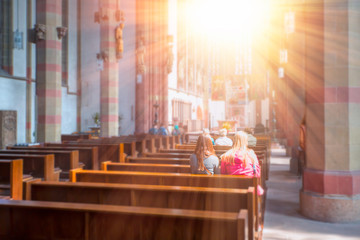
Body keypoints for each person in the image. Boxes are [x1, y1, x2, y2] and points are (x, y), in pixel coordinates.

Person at [220, 131, 264, 195]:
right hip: (249, 191)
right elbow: (257, 174)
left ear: (234, 140)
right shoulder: (251, 154)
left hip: (231, 192)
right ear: (245, 141)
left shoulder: (226, 156)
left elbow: (223, 174)